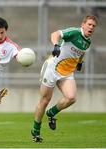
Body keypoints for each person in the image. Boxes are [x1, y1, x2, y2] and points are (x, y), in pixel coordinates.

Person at [31, 15, 98, 143]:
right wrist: (56, 45)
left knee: (71, 98)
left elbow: (81, 51)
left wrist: (79, 62)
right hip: (52, 68)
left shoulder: (88, 41)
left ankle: (51, 113)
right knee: (45, 100)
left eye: (93, 26)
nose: (91, 27)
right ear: (83, 25)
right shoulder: (74, 32)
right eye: (89, 24)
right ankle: (36, 130)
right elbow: (55, 34)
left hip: (67, 73)